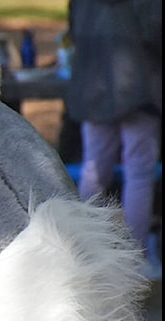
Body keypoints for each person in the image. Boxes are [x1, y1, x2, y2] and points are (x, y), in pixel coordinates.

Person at [64, 0, 163, 280]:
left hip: (94, 86)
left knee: (94, 169)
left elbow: (75, 29)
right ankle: (135, 259)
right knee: (139, 173)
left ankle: (85, 252)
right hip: (141, 85)